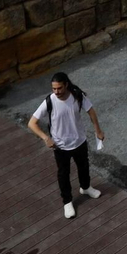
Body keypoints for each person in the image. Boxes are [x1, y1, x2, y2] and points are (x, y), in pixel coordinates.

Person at [28, 72, 106, 219]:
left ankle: (85, 187)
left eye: (59, 88)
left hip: (79, 141)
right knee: (63, 174)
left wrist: (98, 130)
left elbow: (91, 111)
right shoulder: (49, 102)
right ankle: (67, 201)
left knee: (84, 166)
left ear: (66, 85)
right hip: (60, 146)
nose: (56, 92)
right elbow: (32, 123)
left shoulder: (77, 96)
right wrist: (46, 138)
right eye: (54, 89)